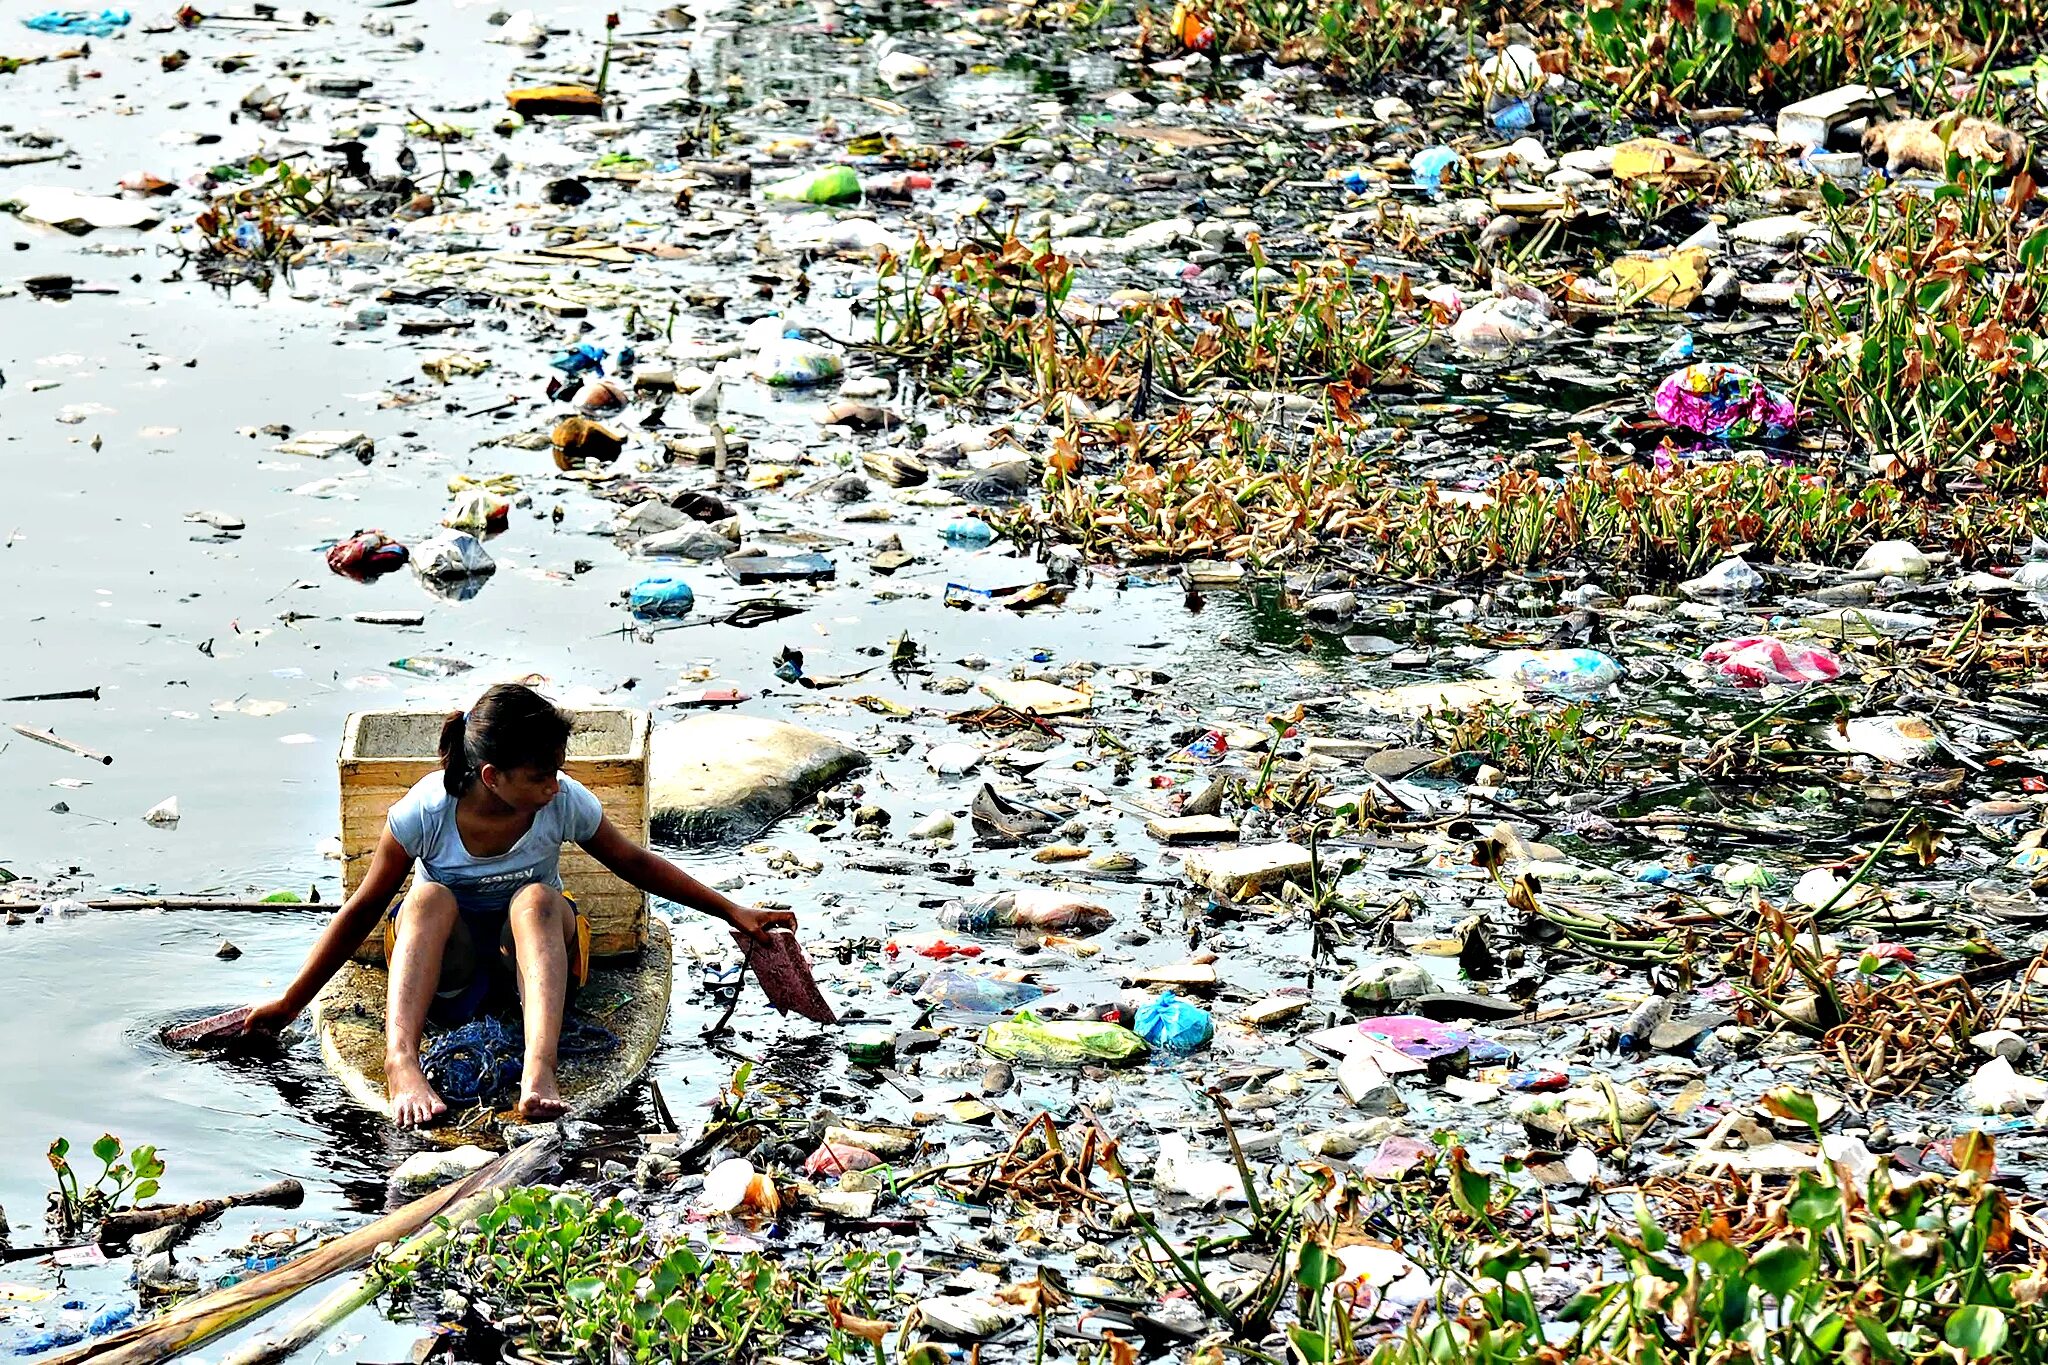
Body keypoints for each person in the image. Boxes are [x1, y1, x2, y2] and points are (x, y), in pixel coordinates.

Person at [244, 683, 795, 1127]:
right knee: (429, 895)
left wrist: (732, 911)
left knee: (534, 898)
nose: (555, 786)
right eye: (540, 776)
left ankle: (540, 1065)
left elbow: (635, 864)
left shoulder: (561, 802)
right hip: (448, 974)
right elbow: (363, 908)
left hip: (529, 968)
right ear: (492, 777)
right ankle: (401, 1060)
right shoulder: (427, 811)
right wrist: (289, 1005)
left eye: (557, 770)